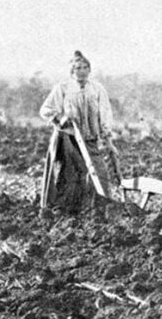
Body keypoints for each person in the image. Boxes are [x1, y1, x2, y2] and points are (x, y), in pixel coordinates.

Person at [39, 50, 123, 213]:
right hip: (68, 139)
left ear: (89, 70)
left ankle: (104, 208)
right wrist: (61, 119)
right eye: (78, 68)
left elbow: (105, 114)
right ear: (72, 71)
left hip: (90, 138)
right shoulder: (63, 88)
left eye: (85, 67)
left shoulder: (97, 89)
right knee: (69, 175)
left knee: (100, 173)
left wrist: (107, 139)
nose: (82, 71)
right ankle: (63, 208)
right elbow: (45, 109)